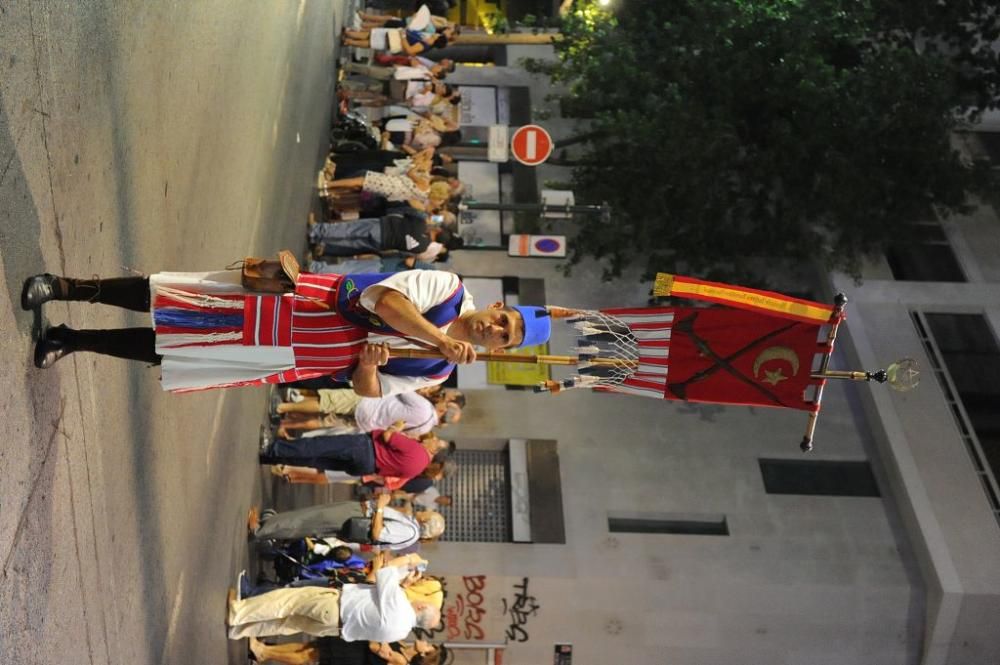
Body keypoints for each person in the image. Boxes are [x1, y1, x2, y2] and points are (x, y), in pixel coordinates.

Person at [22, 269, 554, 395]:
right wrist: (439, 337)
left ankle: (73, 339)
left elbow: (370, 398)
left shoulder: (438, 374)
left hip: (294, 356)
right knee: (177, 299)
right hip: (296, 305)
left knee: (178, 352)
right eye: (502, 320)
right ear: (499, 306)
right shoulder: (447, 288)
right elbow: (386, 302)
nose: (493, 329)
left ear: (498, 350)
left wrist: (369, 366)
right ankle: (66, 286)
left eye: (502, 338)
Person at [228, 552, 439, 640]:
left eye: (423, 603)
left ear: (420, 608)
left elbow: (385, 572)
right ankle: (239, 630)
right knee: (285, 624)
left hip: (335, 605)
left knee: (285, 602)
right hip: (334, 628)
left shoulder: (401, 606)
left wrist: (407, 558)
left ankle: (238, 614)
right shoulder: (401, 633)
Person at [259, 420, 451, 483]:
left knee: (318, 446)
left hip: (365, 448)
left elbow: (388, 437)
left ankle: (272, 448)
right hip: (365, 466)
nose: (432, 438)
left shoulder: (417, 450)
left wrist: (396, 427)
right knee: (316, 460)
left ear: (435, 452)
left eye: (435, 441)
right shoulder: (416, 471)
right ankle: (270, 457)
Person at [251, 491, 445, 548]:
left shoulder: (409, 532)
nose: (426, 511)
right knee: (310, 519)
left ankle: (261, 529)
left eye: (429, 514)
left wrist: (380, 508)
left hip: (356, 518)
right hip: (356, 514)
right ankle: (270, 526)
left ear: (426, 522)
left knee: (309, 520)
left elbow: (378, 533)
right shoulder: (410, 527)